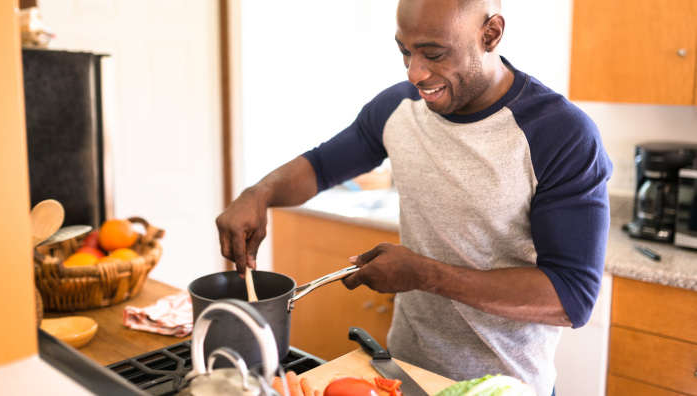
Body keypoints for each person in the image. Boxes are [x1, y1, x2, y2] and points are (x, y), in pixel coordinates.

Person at [216, 0, 612, 395]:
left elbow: (571, 298)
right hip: (403, 376)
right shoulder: (398, 107)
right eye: (405, 51)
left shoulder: (561, 134)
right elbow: (321, 165)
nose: (415, 73)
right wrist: (259, 193)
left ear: (490, 34)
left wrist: (424, 275)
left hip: (504, 386)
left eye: (434, 54)